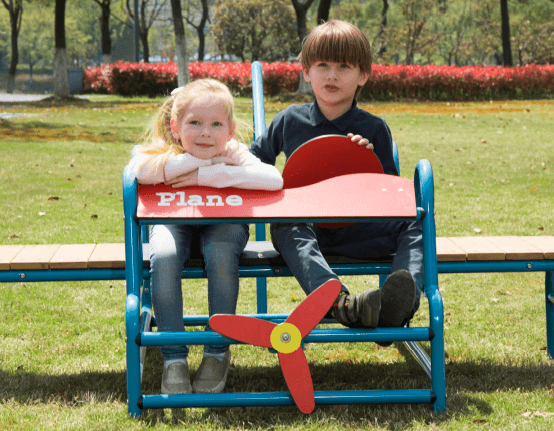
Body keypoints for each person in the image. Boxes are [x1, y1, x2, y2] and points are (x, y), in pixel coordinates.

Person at [249, 20, 423, 333]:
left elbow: (391, 200)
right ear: (306, 72)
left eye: (344, 66)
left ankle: (397, 308)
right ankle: (338, 303)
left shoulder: (374, 128)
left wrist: (367, 164)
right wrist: (279, 189)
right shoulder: (289, 119)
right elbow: (251, 164)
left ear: (363, 75)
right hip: (307, 230)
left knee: (414, 221)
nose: (332, 75)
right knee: (285, 224)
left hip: (358, 230)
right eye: (323, 65)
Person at [128, 79, 283, 395]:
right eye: (195, 123)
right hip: (174, 222)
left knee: (221, 255)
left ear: (230, 129)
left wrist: (208, 174)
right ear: (176, 127)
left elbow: (273, 179)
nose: (206, 133)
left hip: (223, 224)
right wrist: (192, 161)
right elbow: (138, 171)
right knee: (165, 256)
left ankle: (217, 352)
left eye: (216, 125)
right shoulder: (162, 150)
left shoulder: (233, 151)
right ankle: (174, 357)